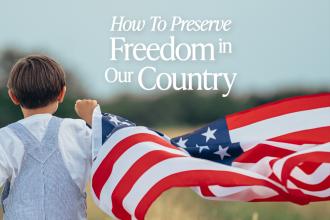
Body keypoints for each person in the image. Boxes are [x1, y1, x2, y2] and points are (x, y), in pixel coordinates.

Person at [0, 55, 98, 220]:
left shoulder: (5, 137)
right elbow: (113, 152)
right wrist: (94, 120)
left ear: (13, 96)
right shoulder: (78, 131)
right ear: (62, 93)